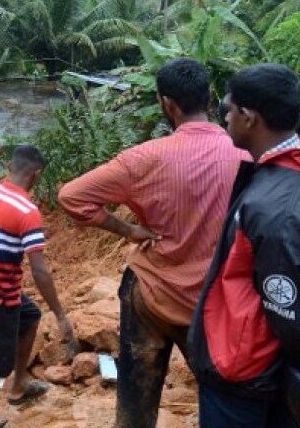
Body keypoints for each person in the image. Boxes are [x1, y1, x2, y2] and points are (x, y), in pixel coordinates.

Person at [57, 57, 247, 428]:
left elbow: (71, 196)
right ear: (210, 97)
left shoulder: (145, 157)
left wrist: (127, 231)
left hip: (150, 292)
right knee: (220, 397)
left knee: (136, 403)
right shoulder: (245, 157)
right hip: (211, 300)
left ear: (167, 104)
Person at [188, 64, 300, 425]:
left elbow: (287, 304)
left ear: (249, 117)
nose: (226, 118)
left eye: (229, 110)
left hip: (248, 362)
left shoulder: (275, 204)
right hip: (278, 359)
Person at [0, 145, 75, 428]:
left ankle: (19, 385)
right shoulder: (28, 212)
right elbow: (39, 271)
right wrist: (61, 315)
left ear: (10, 167)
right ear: (36, 175)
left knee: (31, 316)